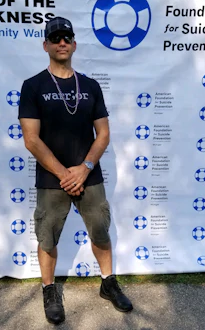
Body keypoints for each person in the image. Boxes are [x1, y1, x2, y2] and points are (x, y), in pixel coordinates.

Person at [18, 17, 133, 325]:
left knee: (99, 229)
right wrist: (64, 174)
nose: (62, 42)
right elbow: (31, 139)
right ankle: (49, 289)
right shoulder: (33, 86)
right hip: (51, 178)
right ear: (46, 45)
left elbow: (104, 134)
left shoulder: (91, 86)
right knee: (48, 236)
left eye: (67, 37)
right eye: (55, 38)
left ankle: (108, 283)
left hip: (89, 175)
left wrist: (84, 169)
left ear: (74, 44)